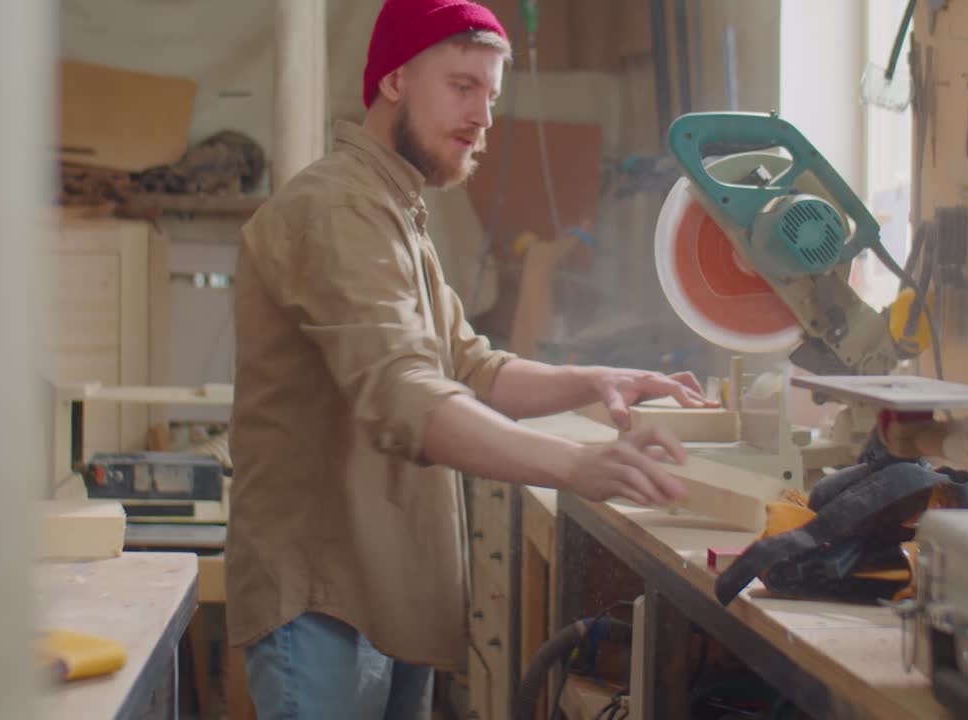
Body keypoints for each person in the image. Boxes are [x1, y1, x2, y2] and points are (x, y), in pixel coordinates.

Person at [227, 0, 712, 717]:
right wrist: (575, 466)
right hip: (323, 597)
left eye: (491, 93)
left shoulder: (394, 210)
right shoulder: (339, 209)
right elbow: (405, 392)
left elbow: (470, 365)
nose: (483, 116)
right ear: (394, 80)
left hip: (380, 588)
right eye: (461, 86)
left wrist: (595, 380)